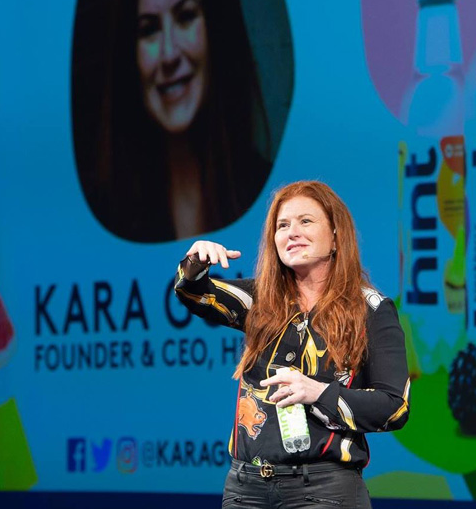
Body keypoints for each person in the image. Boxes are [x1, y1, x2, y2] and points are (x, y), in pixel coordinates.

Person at [175, 180, 410, 508]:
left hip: (325, 489)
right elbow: (191, 291)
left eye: (306, 221)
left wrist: (318, 393)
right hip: (246, 489)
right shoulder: (260, 300)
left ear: (336, 236)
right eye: (283, 225)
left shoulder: (371, 309)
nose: (292, 232)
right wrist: (195, 262)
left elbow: (394, 406)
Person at [106, 0, 271, 241]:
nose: (168, 54)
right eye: (149, 29)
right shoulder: (115, 216)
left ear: (217, 25)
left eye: (186, 16)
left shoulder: (276, 199)